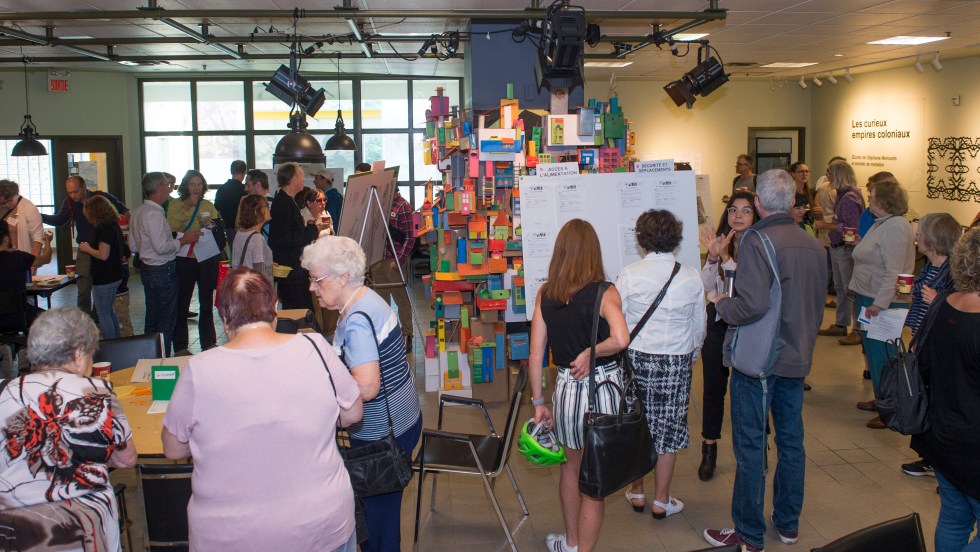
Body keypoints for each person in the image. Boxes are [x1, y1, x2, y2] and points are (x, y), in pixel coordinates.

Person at [162, 267, 363, 551]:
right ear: (275, 309)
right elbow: (352, 413)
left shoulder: (198, 369)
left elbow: (173, 449)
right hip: (322, 524)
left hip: (230, 535)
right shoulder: (316, 347)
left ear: (224, 318)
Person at [703, 169, 827, 552]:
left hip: (758, 361)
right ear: (791, 201)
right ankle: (788, 524)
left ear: (757, 203)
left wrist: (722, 303)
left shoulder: (757, 240)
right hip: (796, 356)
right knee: (791, 443)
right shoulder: (813, 245)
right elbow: (817, 305)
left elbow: (751, 305)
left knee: (751, 447)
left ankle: (749, 534)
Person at [303, 236, 422, 552]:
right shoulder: (368, 298)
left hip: (380, 437)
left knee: (379, 524)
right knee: (383, 516)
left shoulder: (357, 321)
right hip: (403, 420)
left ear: (343, 277)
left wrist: (321, 396)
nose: (313, 288)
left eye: (317, 280)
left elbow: (367, 387)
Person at [528, 219, 630, 552]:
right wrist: (593, 351)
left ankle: (571, 543)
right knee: (594, 480)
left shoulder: (546, 294)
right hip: (604, 391)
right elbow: (621, 339)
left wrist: (538, 403)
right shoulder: (605, 292)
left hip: (567, 391)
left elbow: (536, 354)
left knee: (571, 468)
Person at [0, 307, 137, 551]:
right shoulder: (97, 392)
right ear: (78, 354)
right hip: (82, 531)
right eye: (91, 355)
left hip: (15, 533)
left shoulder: (6, 391)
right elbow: (126, 459)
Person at [618, 210, 705, 519]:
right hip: (676, 360)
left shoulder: (629, 274)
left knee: (637, 425)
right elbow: (699, 326)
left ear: (642, 240)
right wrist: (692, 355)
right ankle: (662, 500)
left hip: (636, 359)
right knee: (668, 430)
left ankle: (638, 492)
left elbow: (617, 323)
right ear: (675, 239)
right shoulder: (691, 276)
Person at [909, 228, 980, 552]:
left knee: (954, 517)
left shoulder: (942, 303)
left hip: (940, 434)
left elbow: (922, 362)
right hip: (973, 443)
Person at [696, 190, 759, 482]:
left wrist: (726, 259)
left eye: (746, 210)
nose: (738, 215)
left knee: (750, 387)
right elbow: (705, 286)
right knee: (713, 387)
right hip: (718, 320)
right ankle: (709, 448)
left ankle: (758, 448)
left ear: (756, 214)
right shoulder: (722, 243)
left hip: (748, 323)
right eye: (734, 210)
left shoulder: (759, 245)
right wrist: (713, 258)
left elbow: (744, 289)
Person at [898, 212, 961, 478]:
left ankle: (938, 460)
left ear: (934, 238)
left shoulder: (954, 273)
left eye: (921, 232)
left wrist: (937, 300)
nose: (917, 236)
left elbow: (957, 312)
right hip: (922, 340)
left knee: (937, 402)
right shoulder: (928, 267)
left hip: (939, 347)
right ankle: (931, 457)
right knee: (926, 399)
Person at [849, 180, 915, 429]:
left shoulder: (896, 226)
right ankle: (882, 399)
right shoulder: (884, 223)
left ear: (885, 201)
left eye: (872, 195)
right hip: (871, 297)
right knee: (874, 353)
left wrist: (880, 303)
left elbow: (893, 271)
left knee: (884, 356)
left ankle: (891, 407)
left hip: (883, 302)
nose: (869, 198)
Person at [128, 172, 200, 356]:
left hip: (147, 270)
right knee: (166, 321)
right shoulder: (154, 215)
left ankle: (150, 359)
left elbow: (133, 246)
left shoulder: (138, 212)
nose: (170, 189)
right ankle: (163, 362)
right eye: (167, 185)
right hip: (162, 271)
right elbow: (162, 248)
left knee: (151, 319)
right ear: (159, 187)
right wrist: (183, 240)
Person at [42, 175, 128, 317]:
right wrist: (40, 217)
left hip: (103, 248)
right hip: (85, 249)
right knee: (83, 289)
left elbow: (124, 211)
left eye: (75, 192)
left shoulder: (100, 198)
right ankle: (85, 320)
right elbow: (59, 220)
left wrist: (124, 233)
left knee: (101, 288)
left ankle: (98, 319)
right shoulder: (69, 203)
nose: (72, 195)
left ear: (84, 188)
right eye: (69, 192)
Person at [168, 170, 223, 355]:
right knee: (182, 302)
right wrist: (187, 207)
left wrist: (210, 225)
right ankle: (181, 346)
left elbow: (216, 227)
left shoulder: (207, 205)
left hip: (206, 257)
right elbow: (172, 227)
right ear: (185, 186)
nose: (196, 188)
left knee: (206, 302)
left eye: (199, 184)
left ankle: (208, 343)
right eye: (192, 184)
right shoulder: (175, 205)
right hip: (185, 258)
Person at [815, 160, 864, 344]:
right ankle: (841, 324)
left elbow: (851, 227)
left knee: (851, 290)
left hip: (846, 249)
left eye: (830, 173)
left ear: (839, 175)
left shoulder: (849, 198)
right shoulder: (843, 194)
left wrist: (826, 225)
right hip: (839, 247)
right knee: (841, 288)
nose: (828, 177)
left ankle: (857, 330)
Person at [269, 163, 326, 310]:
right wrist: (313, 230)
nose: (303, 179)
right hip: (291, 268)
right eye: (301, 176)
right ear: (293, 179)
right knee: (300, 309)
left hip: (292, 266)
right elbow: (287, 237)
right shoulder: (283, 203)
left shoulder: (287, 200)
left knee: (296, 307)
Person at [368, 187, 415, 350]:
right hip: (377, 260)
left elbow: (410, 236)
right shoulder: (378, 204)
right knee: (380, 301)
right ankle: (386, 335)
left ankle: (407, 334)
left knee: (401, 299)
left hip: (393, 260)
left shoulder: (402, 206)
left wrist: (400, 259)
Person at [78, 195, 126, 339]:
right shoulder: (113, 225)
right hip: (115, 274)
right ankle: (116, 341)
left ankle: (110, 343)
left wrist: (87, 249)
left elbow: (103, 255)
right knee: (109, 311)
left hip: (104, 277)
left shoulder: (103, 229)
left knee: (103, 313)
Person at [0, 219, 42, 334]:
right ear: (6, 239)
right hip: (19, 316)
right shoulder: (18, 257)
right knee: (49, 317)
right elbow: (46, 258)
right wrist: (47, 241)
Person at [0, 180, 43, 272]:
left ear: (16, 194)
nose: (7, 204)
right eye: (3, 203)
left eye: (10, 200)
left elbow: (37, 239)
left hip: (21, 259)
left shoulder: (29, 208)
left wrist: (32, 266)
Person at [232, 194, 274, 283]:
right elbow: (259, 271)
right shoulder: (257, 238)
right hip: (254, 287)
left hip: (241, 284)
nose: (269, 209)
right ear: (256, 211)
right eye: (266, 206)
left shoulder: (240, 233)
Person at [213, 159, 247, 251]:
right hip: (243, 229)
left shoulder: (222, 189)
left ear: (231, 171)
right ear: (244, 172)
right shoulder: (245, 190)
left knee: (233, 254)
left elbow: (216, 210)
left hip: (227, 229)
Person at [311, 168, 343, 233]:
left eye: (317, 178)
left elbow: (330, 219)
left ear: (325, 180)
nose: (314, 181)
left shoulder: (329, 197)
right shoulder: (337, 195)